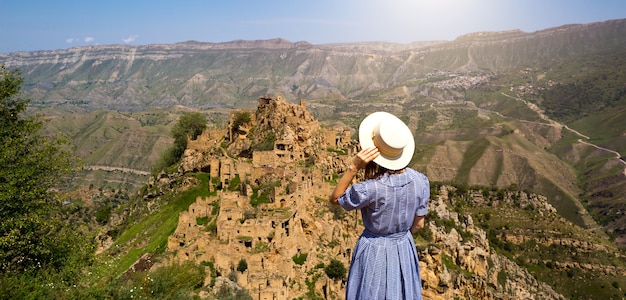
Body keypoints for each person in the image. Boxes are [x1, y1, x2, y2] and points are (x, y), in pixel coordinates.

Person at [329, 111, 430, 300]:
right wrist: (397, 236)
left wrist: (354, 167)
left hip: (374, 251)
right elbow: (419, 225)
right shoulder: (421, 181)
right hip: (404, 247)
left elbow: (335, 198)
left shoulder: (370, 188)